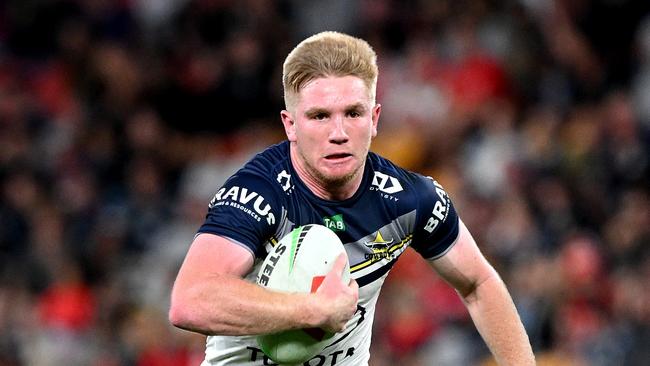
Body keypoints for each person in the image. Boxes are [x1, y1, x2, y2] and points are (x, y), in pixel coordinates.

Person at [169, 31, 535, 366]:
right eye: (319, 116)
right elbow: (190, 301)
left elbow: (478, 283)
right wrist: (312, 310)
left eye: (353, 113)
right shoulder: (258, 192)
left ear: (374, 118)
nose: (339, 133)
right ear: (290, 124)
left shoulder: (409, 198)